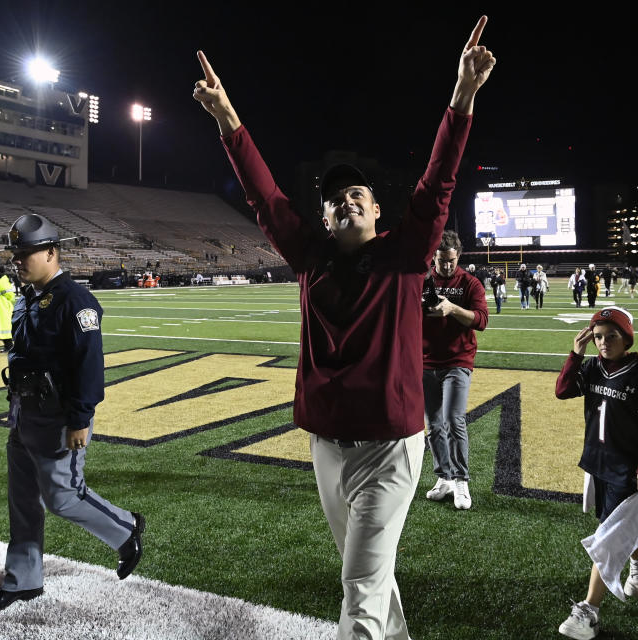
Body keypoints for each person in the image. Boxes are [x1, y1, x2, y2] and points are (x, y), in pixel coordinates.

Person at [193, 17, 495, 640]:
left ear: (377, 208)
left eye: (357, 193)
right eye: (334, 198)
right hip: (327, 446)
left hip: (388, 447)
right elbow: (265, 197)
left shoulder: (407, 252)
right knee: (370, 581)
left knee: (357, 592)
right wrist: (229, 120)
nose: (346, 200)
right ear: (325, 216)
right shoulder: (311, 257)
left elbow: (438, 183)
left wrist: (461, 98)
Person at [0, 214, 145, 615]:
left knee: (64, 497)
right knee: (24, 501)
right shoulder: (27, 295)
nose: (18, 259)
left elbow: (89, 364)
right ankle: (23, 580)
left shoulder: (74, 300)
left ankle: (125, 530)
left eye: (26, 252)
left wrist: (80, 418)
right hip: (24, 411)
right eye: (16, 253)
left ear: (51, 252)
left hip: (59, 416)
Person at [555, 306, 638, 640]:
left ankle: (589, 610)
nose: (604, 343)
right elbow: (562, 390)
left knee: (607, 537)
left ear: (627, 338)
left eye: (612, 336)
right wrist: (576, 354)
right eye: (599, 336)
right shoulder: (592, 367)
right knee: (608, 523)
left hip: (626, 466)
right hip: (596, 460)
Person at [422, 231, 489, 510]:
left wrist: (452, 309)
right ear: (433, 258)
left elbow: (482, 320)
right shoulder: (422, 281)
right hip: (425, 361)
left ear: (458, 257)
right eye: (441, 261)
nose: (446, 266)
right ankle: (444, 477)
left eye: (451, 261)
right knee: (433, 423)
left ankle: (461, 479)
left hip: (458, 361)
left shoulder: (470, 283)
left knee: (453, 418)